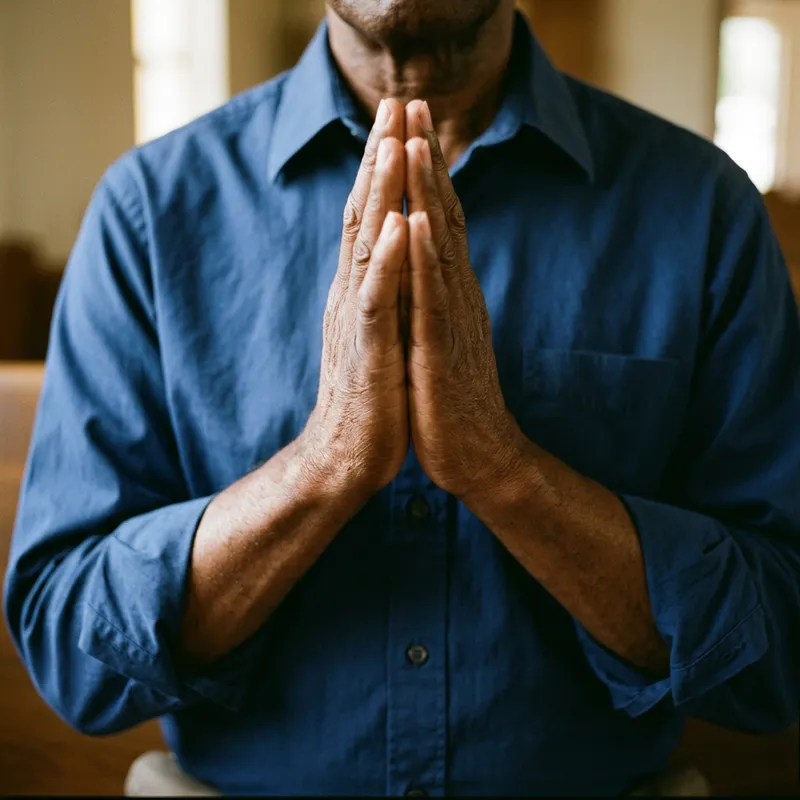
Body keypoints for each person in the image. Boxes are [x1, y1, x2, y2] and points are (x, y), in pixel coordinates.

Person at [4, 0, 799, 796]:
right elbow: (74, 652)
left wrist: (502, 469)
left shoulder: (705, 211)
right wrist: (326, 464)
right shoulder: (149, 212)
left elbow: (778, 650)